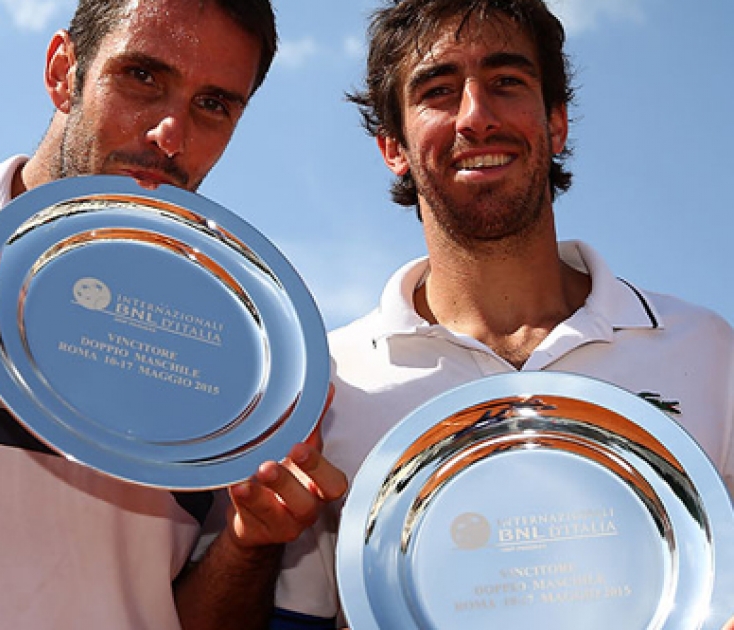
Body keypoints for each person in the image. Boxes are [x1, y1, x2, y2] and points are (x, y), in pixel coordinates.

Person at [0, 1, 347, 628]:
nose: (170, 132)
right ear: (63, 71)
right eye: (142, 78)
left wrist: (251, 543)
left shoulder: (248, 361)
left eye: (213, 105)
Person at [270, 0, 734, 627]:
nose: (476, 117)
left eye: (506, 83)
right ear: (393, 148)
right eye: (438, 90)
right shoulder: (327, 383)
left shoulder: (705, 349)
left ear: (557, 123)